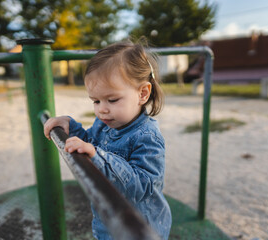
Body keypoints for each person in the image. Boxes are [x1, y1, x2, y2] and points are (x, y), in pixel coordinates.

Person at [44, 39, 172, 240]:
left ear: (143, 93)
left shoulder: (147, 137)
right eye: (96, 101)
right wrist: (71, 126)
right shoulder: (104, 122)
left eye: (112, 100)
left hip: (138, 229)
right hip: (107, 223)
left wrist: (97, 156)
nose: (102, 109)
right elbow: (90, 144)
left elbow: (142, 187)